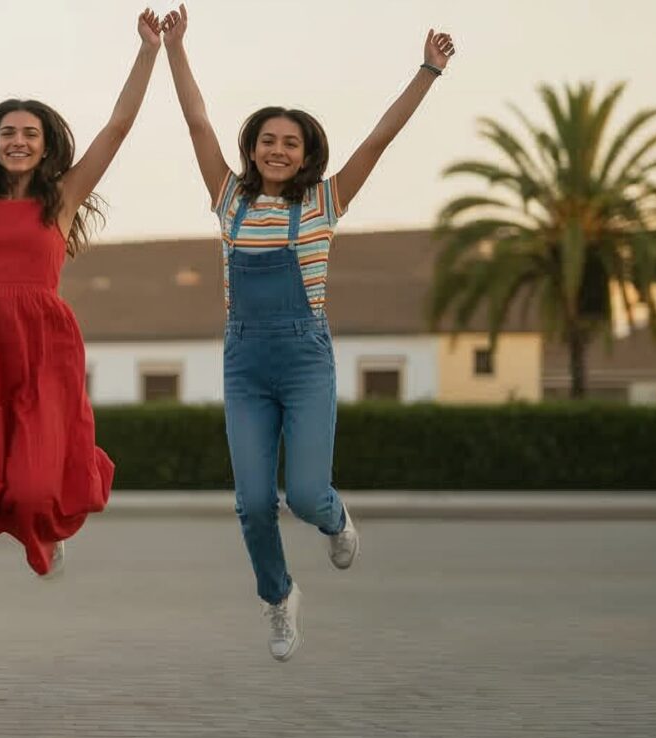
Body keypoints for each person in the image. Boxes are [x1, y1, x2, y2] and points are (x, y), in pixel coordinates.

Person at [159, 4, 456, 660]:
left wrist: (427, 71)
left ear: (307, 152)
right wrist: (174, 49)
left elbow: (380, 138)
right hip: (244, 360)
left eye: (290, 142)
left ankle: (336, 518)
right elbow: (197, 120)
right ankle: (279, 598)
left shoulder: (326, 202)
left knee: (305, 495)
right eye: (268, 139)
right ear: (254, 147)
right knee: (253, 501)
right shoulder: (228, 198)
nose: (278, 149)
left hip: (304, 358)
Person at [0, 0, 156, 583]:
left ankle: (44, 530)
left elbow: (117, 127)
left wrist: (147, 52)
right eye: (8, 133)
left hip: (43, 345)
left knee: (35, 486)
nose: (18, 141)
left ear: (46, 145)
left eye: (30, 133)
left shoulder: (63, 198)